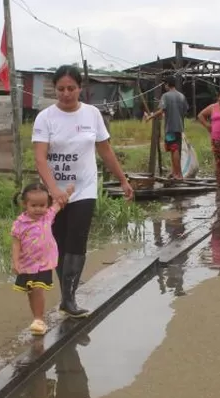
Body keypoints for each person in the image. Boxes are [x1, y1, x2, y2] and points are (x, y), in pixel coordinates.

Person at [32, 65, 135, 318]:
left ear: (80, 89)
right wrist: (54, 190)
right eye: (61, 89)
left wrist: (123, 180)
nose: (66, 94)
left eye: (71, 88)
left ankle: (69, 298)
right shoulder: (45, 117)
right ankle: (67, 296)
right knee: (59, 243)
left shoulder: (92, 115)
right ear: (55, 89)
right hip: (54, 192)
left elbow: (105, 150)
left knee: (77, 243)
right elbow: (40, 158)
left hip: (84, 188)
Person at [11, 182, 74, 336]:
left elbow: (59, 203)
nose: (39, 209)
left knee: (38, 289)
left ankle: (39, 319)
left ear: (47, 204)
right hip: (27, 264)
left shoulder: (47, 216)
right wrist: (15, 261)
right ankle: (36, 318)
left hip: (44, 263)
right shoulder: (20, 223)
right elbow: (16, 244)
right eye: (34, 205)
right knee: (31, 291)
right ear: (25, 204)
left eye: (42, 205)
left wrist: (68, 192)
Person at [144, 77, 189, 180]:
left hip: (171, 126)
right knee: (176, 148)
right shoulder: (181, 96)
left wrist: (150, 117)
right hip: (179, 126)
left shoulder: (165, 96)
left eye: (165, 85)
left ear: (168, 85)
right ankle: (175, 172)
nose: (164, 87)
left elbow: (161, 111)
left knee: (174, 149)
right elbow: (185, 110)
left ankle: (178, 175)